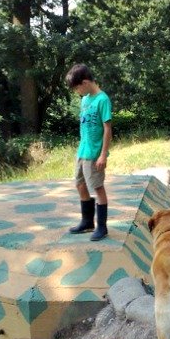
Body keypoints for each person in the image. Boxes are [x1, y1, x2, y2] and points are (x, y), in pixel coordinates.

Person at [65, 64, 112, 241]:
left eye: (77, 87)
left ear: (84, 82)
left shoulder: (102, 99)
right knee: (79, 184)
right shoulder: (85, 100)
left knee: (98, 187)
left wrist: (103, 154)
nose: (77, 91)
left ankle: (102, 227)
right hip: (82, 151)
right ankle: (87, 221)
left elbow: (107, 129)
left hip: (94, 153)